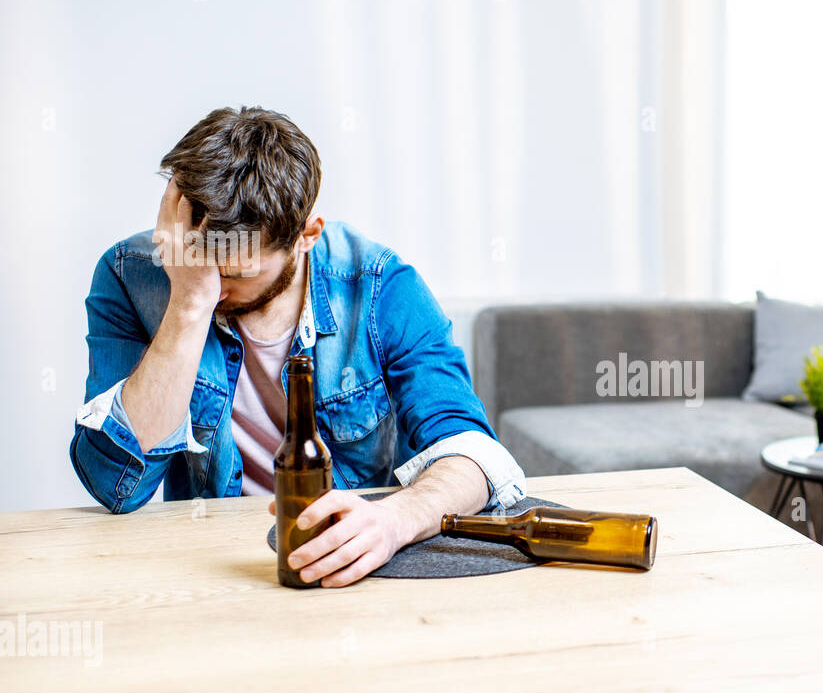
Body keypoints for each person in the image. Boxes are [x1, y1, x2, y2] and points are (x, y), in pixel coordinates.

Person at [70, 106, 526, 587]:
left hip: (347, 564)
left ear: (307, 235)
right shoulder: (133, 276)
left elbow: (474, 455)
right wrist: (185, 306)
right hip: (205, 565)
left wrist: (395, 520)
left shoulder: (380, 289)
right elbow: (114, 484)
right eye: (198, 262)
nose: (211, 287)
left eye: (234, 274)